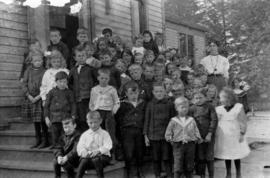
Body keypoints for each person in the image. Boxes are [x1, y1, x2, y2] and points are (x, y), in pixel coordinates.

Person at [214, 87, 250, 178]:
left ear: (228, 98)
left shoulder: (238, 107)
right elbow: (216, 121)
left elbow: (243, 121)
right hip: (224, 135)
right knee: (227, 153)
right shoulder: (219, 109)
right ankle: (228, 173)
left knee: (236, 153)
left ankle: (238, 173)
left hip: (235, 133)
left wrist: (242, 133)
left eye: (221, 97)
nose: (220, 99)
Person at [144, 82, 175, 178]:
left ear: (165, 91)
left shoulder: (169, 104)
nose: (159, 93)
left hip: (166, 135)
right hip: (153, 135)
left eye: (161, 91)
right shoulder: (150, 104)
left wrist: (172, 134)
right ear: (153, 92)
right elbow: (147, 120)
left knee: (167, 157)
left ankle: (169, 175)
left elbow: (173, 119)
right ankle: (157, 175)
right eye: (156, 91)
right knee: (156, 158)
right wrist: (145, 135)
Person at [165, 97, 202, 178]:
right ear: (176, 108)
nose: (185, 109)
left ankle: (189, 175)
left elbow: (196, 129)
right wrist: (171, 140)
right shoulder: (173, 120)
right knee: (178, 164)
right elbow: (168, 132)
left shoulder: (191, 120)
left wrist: (197, 138)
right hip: (178, 145)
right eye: (182, 107)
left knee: (189, 164)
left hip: (190, 144)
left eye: (186, 107)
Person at [115, 81, 146, 178]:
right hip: (127, 131)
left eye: (135, 93)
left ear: (139, 92)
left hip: (140, 130)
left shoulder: (143, 103)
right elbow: (118, 118)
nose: (134, 95)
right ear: (126, 94)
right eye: (131, 93)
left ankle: (140, 170)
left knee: (140, 151)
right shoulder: (123, 104)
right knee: (129, 152)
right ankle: (130, 171)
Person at [21, 51, 48, 149]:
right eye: (35, 61)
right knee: (35, 121)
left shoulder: (45, 71)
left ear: (42, 61)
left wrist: (38, 97)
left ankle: (45, 141)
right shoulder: (28, 71)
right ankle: (38, 140)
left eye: (40, 60)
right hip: (30, 99)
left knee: (42, 121)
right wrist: (28, 95)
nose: (38, 62)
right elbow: (24, 83)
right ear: (32, 61)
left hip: (40, 98)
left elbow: (46, 86)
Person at [89, 68, 120, 152]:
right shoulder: (94, 89)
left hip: (108, 113)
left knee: (110, 133)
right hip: (98, 113)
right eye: (102, 78)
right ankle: (99, 151)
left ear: (109, 79)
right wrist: (93, 111)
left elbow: (117, 102)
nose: (104, 80)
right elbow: (92, 102)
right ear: (98, 78)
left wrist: (113, 111)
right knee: (98, 132)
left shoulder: (112, 89)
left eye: (106, 78)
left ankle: (112, 152)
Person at [44, 71, 76, 149]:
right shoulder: (51, 92)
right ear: (56, 82)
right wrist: (46, 117)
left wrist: (73, 115)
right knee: (55, 134)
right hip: (54, 118)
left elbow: (73, 104)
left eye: (64, 82)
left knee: (65, 134)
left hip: (65, 117)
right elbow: (46, 106)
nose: (62, 84)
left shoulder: (69, 92)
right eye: (60, 82)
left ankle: (65, 147)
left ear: (67, 82)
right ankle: (56, 148)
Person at [189, 91, 218, 178]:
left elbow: (214, 120)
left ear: (205, 97)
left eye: (200, 97)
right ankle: (202, 175)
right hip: (198, 137)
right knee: (200, 157)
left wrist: (210, 133)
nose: (199, 100)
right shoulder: (191, 109)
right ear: (193, 99)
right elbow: (191, 123)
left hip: (209, 135)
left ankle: (211, 175)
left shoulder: (210, 106)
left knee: (209, 157)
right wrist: (197, 136)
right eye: (196, 98)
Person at [76, 111, 112, 178]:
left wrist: (98, 151)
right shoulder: (85, 134)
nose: (93, 125)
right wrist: (83, 151)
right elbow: (80, 146)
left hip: (102, 158)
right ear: (87, 122)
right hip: (89, 159)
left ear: (100, 121)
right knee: (84, 160)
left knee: (96, 159)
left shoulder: (104, 134)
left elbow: (108, 145)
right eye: (90, 123)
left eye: (95, 122)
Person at [69, 46, 96, 132]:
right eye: (79, 56)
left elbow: (96, 81)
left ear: (86, 56)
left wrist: (92, 91)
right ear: (75, 58)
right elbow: (69, 82)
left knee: (89, 117)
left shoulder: (91, 69)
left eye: (83, 55)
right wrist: (74, 90)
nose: (81, 58)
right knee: (80, 118)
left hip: (88, 98)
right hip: (78, 98)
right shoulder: (73, 70)